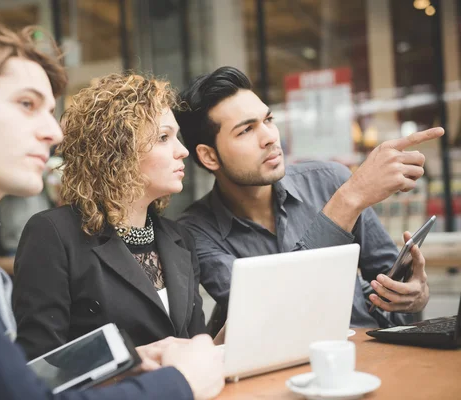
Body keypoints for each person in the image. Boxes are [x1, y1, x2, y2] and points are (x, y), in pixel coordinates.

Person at [0, 24, 224, 400]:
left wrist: (127, 359)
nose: (53, 133)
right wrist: (177, 383)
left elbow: (10, 381)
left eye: (50, 111)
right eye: (27, 104)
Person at [175, 66, 441, 331]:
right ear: (209, 156)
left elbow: (390, 292)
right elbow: (274, 314)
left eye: (268, 120)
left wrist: (415, 295)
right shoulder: (195, 232)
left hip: (369, 353)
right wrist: (347, 201)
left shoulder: (328, 180)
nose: (269, 137)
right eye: (246, 130)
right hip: (283, 370)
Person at [12, 73, 222, 362]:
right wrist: (132, 360)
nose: (183, 151)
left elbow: (195, 345)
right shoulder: (53, 234)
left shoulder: (179, 238)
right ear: (117, 151)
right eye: (163, 137)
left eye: (177, 136)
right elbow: (41, 362)